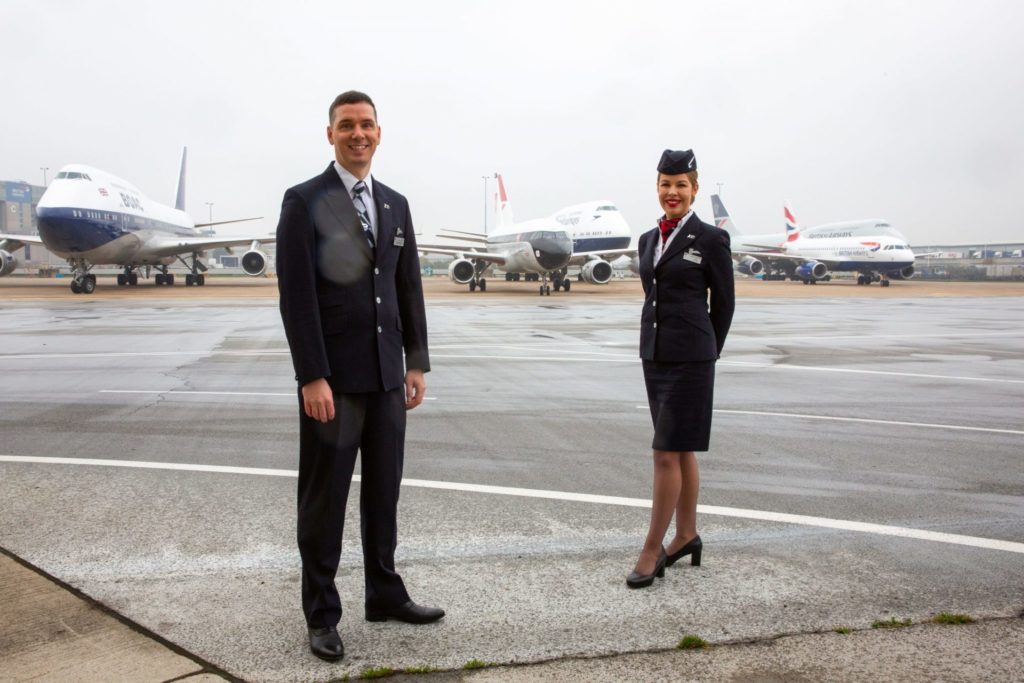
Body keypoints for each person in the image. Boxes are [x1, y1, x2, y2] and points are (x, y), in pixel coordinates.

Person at [276, 90, 444, 662]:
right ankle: (321, 614)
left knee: (384, 493)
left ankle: (385, 593)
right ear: (330, 134)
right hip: (335, 384)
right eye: (346, 125)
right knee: (324, 502)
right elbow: (296, 297)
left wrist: (415, 361)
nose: (358, 134)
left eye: (366, 125)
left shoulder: (394, 204)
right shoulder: (305, 201)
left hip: (386, 378)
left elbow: (408, 286)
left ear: (379, 132)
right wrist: (312, 376)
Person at [627, 148, 735, 589]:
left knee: (665, 451)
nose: (672, 192)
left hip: (692, 359)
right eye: (665, 185)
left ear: (694, 189)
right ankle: (687, 534)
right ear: (657, 188)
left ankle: (652, 550)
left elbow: (723, 304)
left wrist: (707, 351)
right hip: (655, 356)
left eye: (681, 185)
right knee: (682, 447)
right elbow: (654, 295)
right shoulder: (648, 240)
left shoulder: (710, 238)